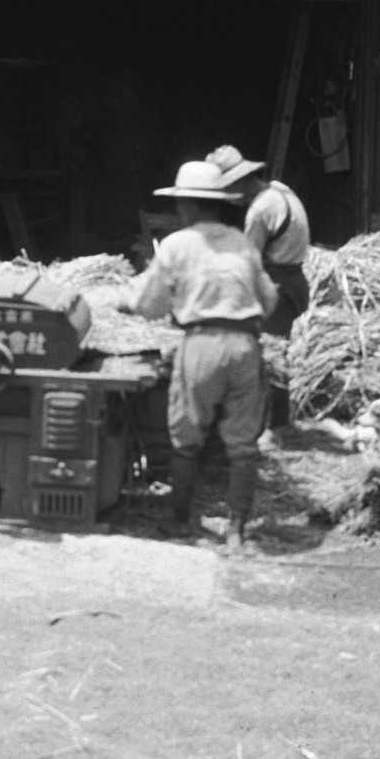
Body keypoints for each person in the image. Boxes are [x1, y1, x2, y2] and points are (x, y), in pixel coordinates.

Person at [123, 159, 278, 551]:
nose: (178, 210)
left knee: (186, 438)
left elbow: (150, 305)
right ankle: (237, 530)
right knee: (243, 445)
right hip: (245, 345)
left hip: (202, 344)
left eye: (180, 203)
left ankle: (180, 522)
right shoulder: (241, 242)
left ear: (189, 205)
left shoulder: (177, 245)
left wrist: (127, 302)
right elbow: (269, 299)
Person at [205, 145, 311, 339]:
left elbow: (248, 262)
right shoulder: (279, 189)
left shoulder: (259, 211)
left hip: (279, 288)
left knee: (273, 346)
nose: (227, 200)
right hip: (297, 282)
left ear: (237, 183)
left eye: (226, 191)